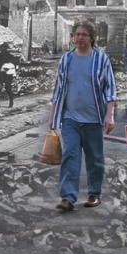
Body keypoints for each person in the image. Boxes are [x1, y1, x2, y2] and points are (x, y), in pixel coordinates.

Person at [49, 20, 117, 212]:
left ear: (92, 38)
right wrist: (53, 115)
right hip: (70, 117)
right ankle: (68, 197)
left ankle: (95, 194)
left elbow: (110, 89)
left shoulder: (101, 60)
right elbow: (58, 89)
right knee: (70, 155)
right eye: (77, 34)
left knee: (95, 157)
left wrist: (109, 115)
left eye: (83, 34)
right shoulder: (66, 59)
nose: (79, 38)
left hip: (94, 119)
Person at [0, 42, 18, 108]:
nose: (1, 48)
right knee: (7, 88)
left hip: (2, 75)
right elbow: (14, 66)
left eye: (2, 47)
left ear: (4, 48)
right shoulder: (10, 56)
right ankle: (10, 102)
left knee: (0, 89)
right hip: (7, 75)